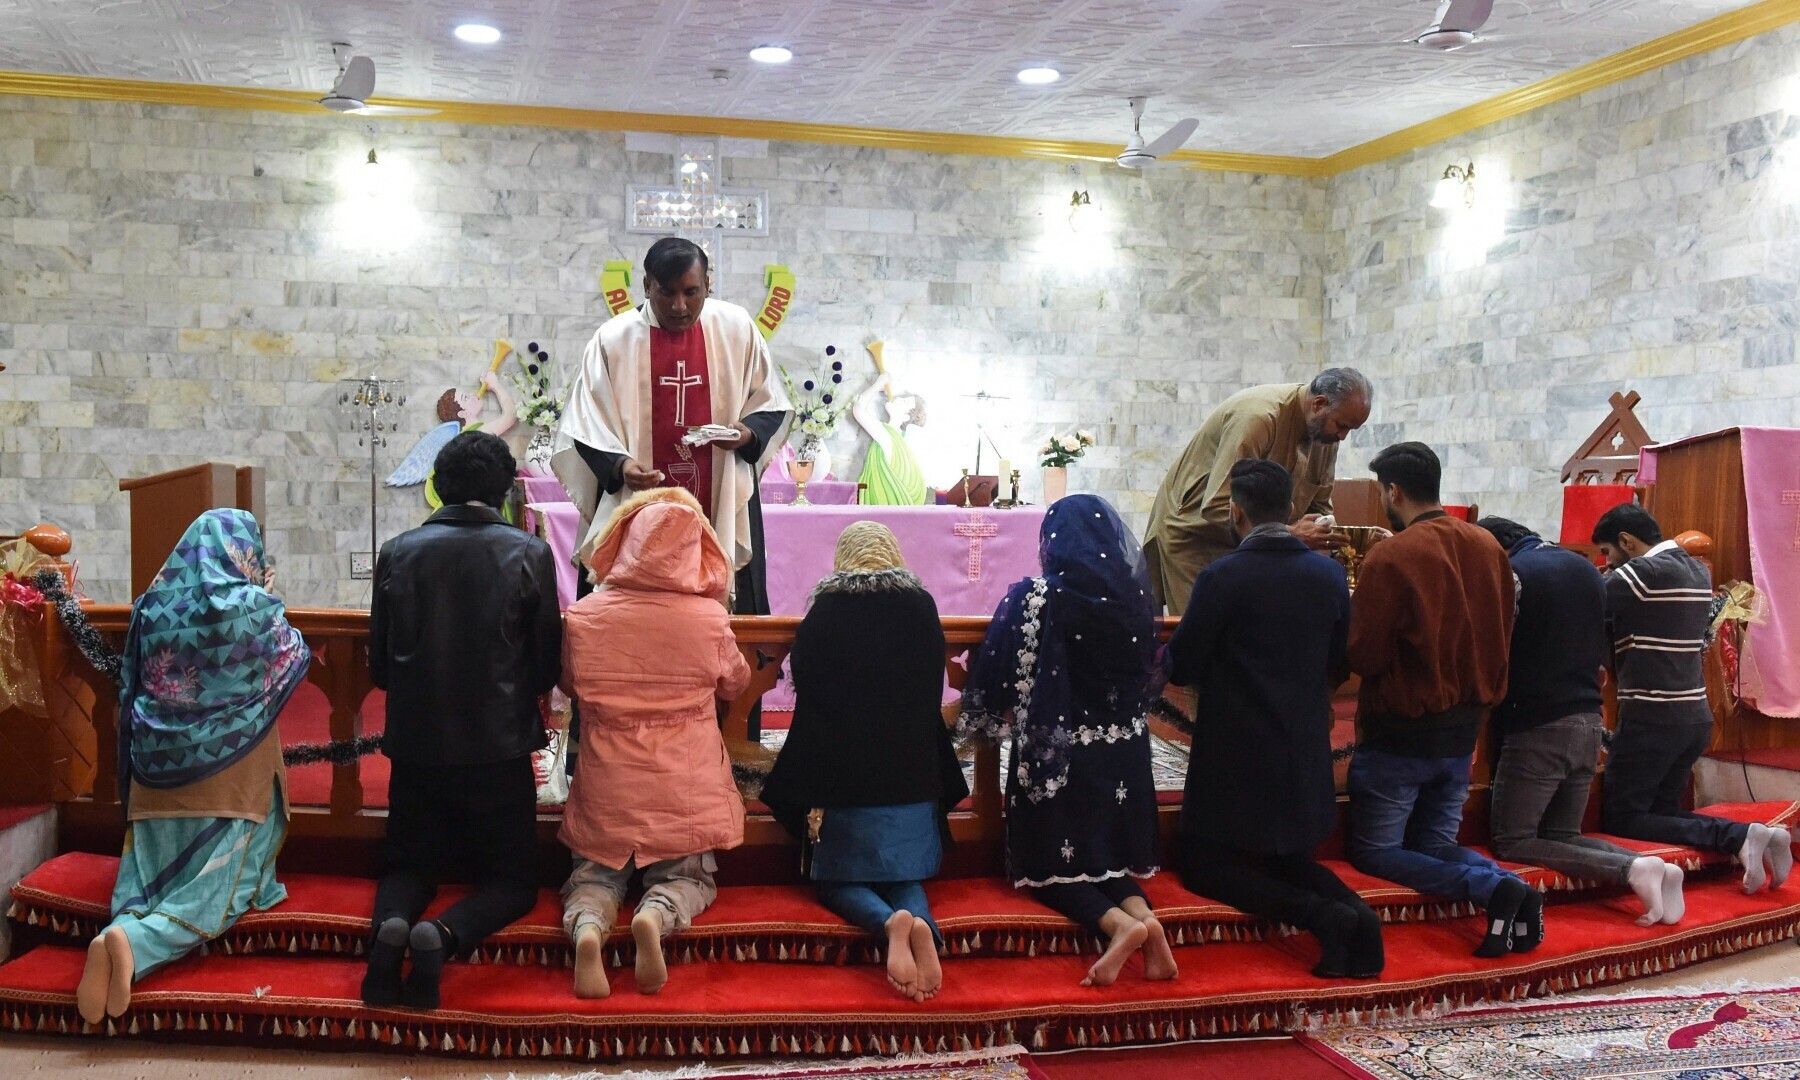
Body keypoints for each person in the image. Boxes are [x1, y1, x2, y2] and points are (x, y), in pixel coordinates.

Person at [77, 509, 309, 1025]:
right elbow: (291, 652)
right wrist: (271, 599)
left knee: (146, 877)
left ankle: (120, 926)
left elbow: (132, 680)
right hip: (229, 780)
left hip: (155, 776)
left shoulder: (150, 605)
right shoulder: (250, 607)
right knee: (218, 889)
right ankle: (134, 943)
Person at [363, 430, 562, 1010]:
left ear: (438, 485)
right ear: (505, 491)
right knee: (512, 882)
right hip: (497, 752)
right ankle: (443, 936)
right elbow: (545, 666)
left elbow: (380, 667)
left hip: (417, 744)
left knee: (408, 866)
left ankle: (390, 931)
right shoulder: (527, 552)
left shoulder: (397, 551)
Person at [1166, 461, 1382, 979]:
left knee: (1203, 867)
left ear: (1235, 511)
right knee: (1288, 859)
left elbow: (1184, 662)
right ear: (1290, 511)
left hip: (1235, 752)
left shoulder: (1223, 575)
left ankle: (1322, 917)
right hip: (1305, 745)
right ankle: (1362, 920)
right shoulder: (1328, 573)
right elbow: (1339, 659)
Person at [959, 495, 1176, 988]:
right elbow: (1151, 675)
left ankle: (1118, 926)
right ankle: (1148, 921)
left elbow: (999, 672)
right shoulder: (1134, 602)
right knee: (1103, 862)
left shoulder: (1037, 596)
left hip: (1061, 756)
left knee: (1050, 868)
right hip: (1123, 756)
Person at [761, 522, 969, 1001]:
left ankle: (888, 924)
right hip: (914, 783)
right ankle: (918, 924)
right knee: (905, 878)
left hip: (842, 789)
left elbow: (807, 691)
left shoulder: (828, 612)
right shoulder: (922, 607)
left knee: (835, 883)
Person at [557, 487, 751, 999]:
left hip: (608, 781)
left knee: (593, 876)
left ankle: (589, 928)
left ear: (624, 542)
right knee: (689, 876)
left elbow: (571, 684)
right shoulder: (708, 619)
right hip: (682, 787)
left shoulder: (584, 615)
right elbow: (736, 682)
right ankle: (656, 914)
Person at [1345, 442, 1536, 958]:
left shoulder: (1393, 553)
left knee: (1376, 850)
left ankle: (1492, 887)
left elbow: (1364, 653)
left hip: (1400, 734)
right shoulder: (1488, 547)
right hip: (1465, 729)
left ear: (1393, 491)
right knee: (1433, 845)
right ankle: (1512, 887)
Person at [552, 237, 793, 616]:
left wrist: (748, 433)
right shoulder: (613, 340)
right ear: (646, 286)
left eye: (691, 292)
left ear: (708, 285)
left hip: (720, 491)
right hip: (635, 498)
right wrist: (619, 466)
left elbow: (770, 401)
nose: (680, 306)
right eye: (666, 293)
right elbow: (587, 420)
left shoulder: (737, 328)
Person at [1477, 516, 1685, 926]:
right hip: (1591, 719)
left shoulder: (1513, 572)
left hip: (1539, 725)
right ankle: (1652, 866)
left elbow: (1494, 645)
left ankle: (1632, 870)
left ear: (1494, 548)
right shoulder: (1585, 568)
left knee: (1514, 838)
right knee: (1563, 836)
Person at [1591, 504, 1793, 892]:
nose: (1607, 562)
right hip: (1693, 715)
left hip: (1652, 716)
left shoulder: (1637, 576)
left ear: (1627, 541)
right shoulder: (1696, 570)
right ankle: (1749, 835)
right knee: (1664, 811)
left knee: (1624, 816)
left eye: (1607, 552)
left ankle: (1740, 838)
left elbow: (1586, 604)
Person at [1143, 368, 1372, 615]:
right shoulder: (1259, 417)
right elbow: (1216, 506)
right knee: (1208, 638)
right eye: (1341, 426)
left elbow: (1320, 509)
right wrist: (1291, 533)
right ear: (1318, 404)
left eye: (1351, 429)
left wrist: (1337, 539)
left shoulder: (1326, 436)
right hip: (1195, 537)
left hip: (1261, 547)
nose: (1343, 436)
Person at [853, 378, 931, 505]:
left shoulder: (887, 434)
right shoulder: (899, 439)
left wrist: (879, 383)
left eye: (905, 402)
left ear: (906, 417)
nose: (898, 399)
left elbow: (858, 409)